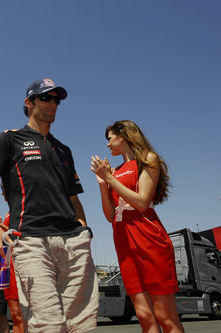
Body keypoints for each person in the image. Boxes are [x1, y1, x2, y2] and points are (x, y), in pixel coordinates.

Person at [0, 78, 99, 332]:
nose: (53, 104)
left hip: (73, 243)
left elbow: (73, 198)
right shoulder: (8, 139)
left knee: (82, 326)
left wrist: (84, 231)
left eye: (56, 99)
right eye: (46, 98)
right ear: (29, 103)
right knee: (48, 325)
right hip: (31, 241)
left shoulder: (63, 149)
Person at [91, 120, 184, 333]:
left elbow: (142, 202)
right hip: (125, 244)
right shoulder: (114, 172)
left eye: (110, 138)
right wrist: (103, 185)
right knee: (145, 318)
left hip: (149, 239)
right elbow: (109, 216)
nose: (108, 145)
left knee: (165, 316)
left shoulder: (148, 159)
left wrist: (109, 178)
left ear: (122, 136)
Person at [0, 213, 25, 333]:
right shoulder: (10, 212)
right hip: (10, 264)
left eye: (4, 192)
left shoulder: (25, 208)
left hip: (22, 262)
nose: (3, 194)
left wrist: (1, 229)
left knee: (20, 315)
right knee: (15, 315)